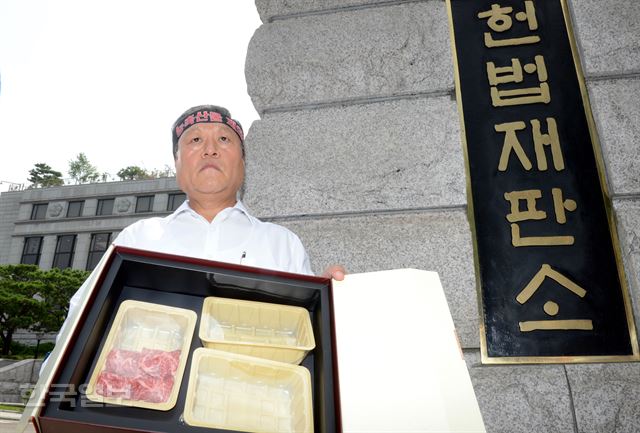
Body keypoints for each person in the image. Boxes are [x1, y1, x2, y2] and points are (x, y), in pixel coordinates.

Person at [48, 104, 344, 367]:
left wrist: (331, 305)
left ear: (243, 163)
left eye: (224, 139)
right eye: (195, 140)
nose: (210, 149)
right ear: (176, 163)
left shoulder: (282, 244)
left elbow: (306, 342)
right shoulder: (137, 240)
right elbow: (80, 321)